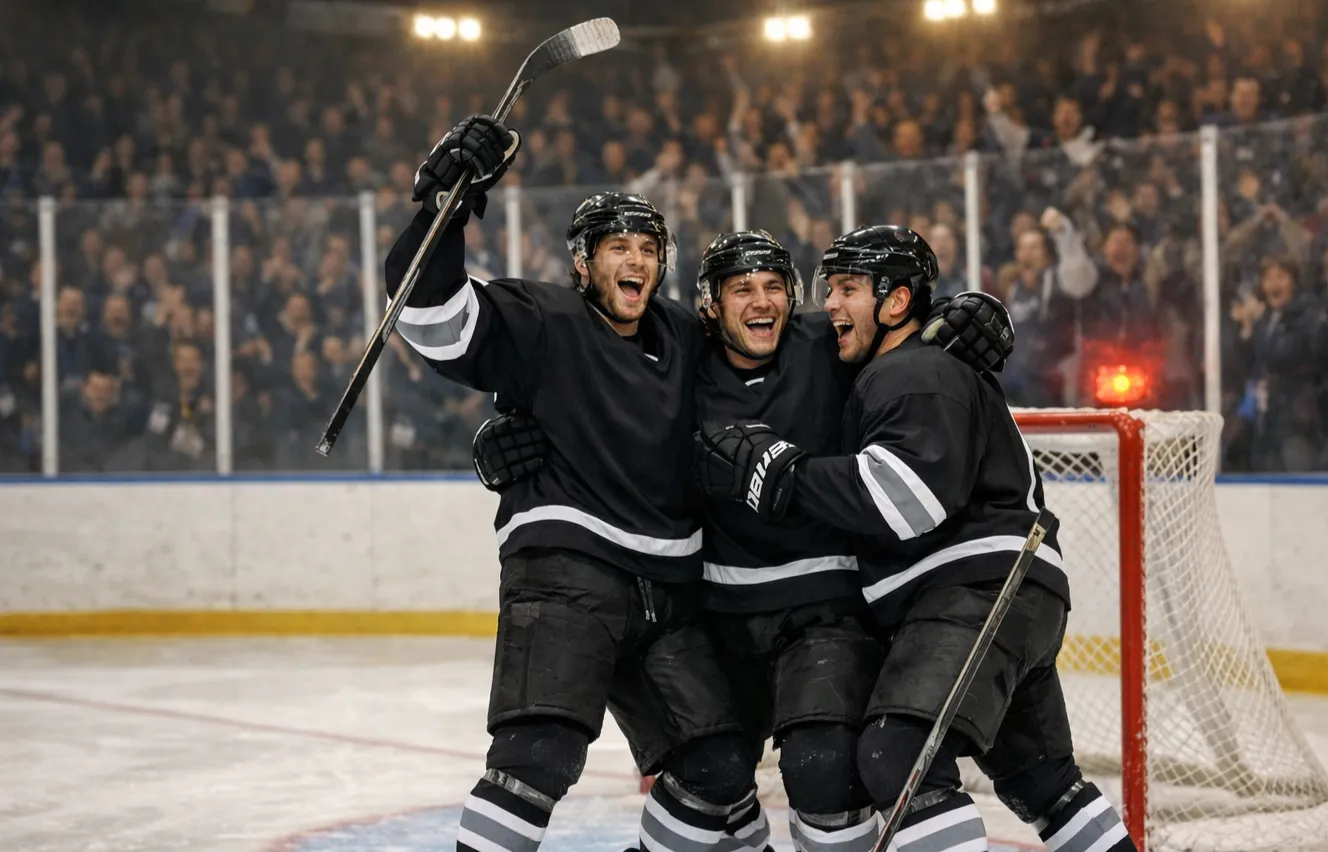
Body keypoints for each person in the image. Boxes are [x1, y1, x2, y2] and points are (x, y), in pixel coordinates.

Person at [472, 230, 1015, 852]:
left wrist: (956, 315)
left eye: (774, 287)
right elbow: (592, 379)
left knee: (824, 770)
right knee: (711, 771)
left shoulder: (824, 346)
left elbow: (889, 324)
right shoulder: (679, 355)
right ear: (709, 306)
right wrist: (513, 432)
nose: (762, 301)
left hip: (822, 609)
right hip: (719, 614)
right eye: (742, 289)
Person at [694, 226, 1138, 852]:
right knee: (1042, 781)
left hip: (972, 590)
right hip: (1007, 591)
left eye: (848, 289)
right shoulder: (910, 364)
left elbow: (908, 501)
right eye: (829, 289)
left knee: (897, 754)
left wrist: (781, 475)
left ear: (896, 302)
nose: (832, 307)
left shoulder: (911, 370)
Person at [387, 114, 759, 852]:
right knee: (536, 762)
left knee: (720, 766)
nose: (637, 260)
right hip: (567, 575)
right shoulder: (542, 319)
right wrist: (443, 207)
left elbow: (772, 356)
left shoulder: (684, 335)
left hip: (669, 591)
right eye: (618, 246)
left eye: (649, 248)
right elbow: (430, 319)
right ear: (583, 263)